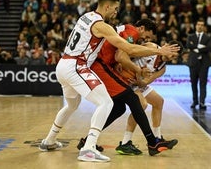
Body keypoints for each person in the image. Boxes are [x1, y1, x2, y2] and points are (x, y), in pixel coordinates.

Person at [39, 0, 179, 163]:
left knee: (72, 105)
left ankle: (49, 140)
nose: (116, 12)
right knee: (107, 102)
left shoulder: (85, 16)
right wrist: (159, 50)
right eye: (115, 8)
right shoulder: (103, 25)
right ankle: (88, 148)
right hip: (78, 66)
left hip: (63, 64)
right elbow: (129, 50)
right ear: (107, 6)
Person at [77, 19, 179, 156]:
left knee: (124, 107)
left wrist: (139, 76)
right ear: (142, 28)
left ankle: (88, 140)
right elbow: (123, 55)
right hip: (108, 68)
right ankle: (144, 142)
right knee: (136, 102)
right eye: (147, 36)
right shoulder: (135, 35)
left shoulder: (161, 67)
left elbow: (142, 80)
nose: (145, 40)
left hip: (129, 77)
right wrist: (137, 69)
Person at [115, 40, 183, 155]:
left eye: (174, 56)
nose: (171, 57)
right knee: (142, 104)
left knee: (159, 101)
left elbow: (144, 83)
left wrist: (140, 77)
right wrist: (132, 69)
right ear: (165, 46)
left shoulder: (162, 68)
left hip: (136, 82)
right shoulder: (151, 47)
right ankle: (125, 142)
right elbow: (127, 53)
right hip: (124, 78)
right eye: (171, 52)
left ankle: (157, 138)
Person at [186, 19, 211, 110]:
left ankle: (202, 102)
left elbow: (209, 48)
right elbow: (188, 45)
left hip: (204, 63)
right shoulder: (191, 36)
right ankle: (195, 101)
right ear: (195, 26)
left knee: (203, 83)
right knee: (193, 83)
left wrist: (196, 48)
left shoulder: (207, 37)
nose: (200, 26)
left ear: (204, 27)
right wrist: (200, 46)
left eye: (202, 25)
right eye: (198, 24)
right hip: (193, 63)